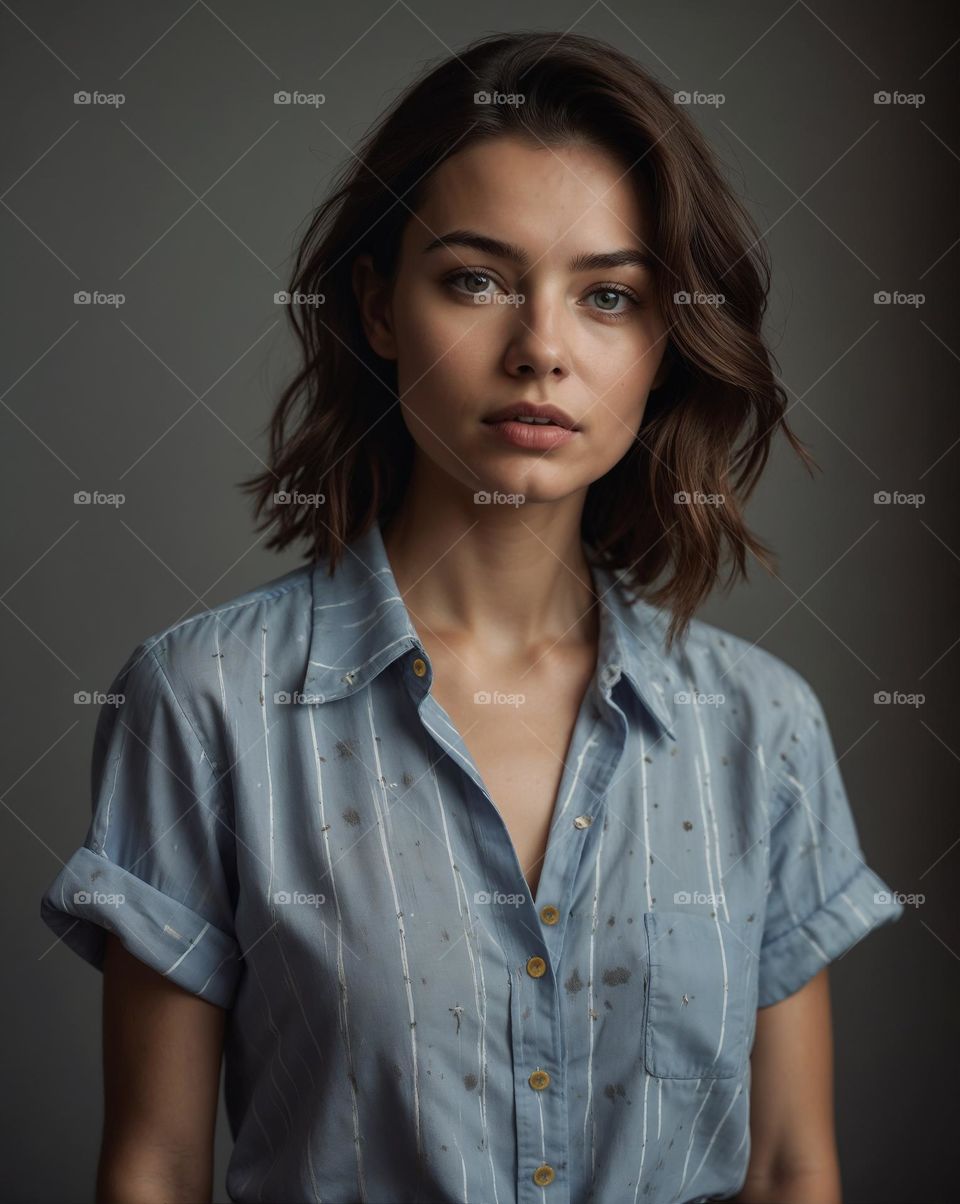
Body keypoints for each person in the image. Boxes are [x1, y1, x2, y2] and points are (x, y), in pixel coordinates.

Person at [40, 29, 905, 1204]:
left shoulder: (764, 730)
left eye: (609, 295)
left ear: (663, 344)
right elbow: (154, 1166)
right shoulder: (202, 704)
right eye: (476, 279)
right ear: (379, 307)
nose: (541, 349)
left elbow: (795, 1167)